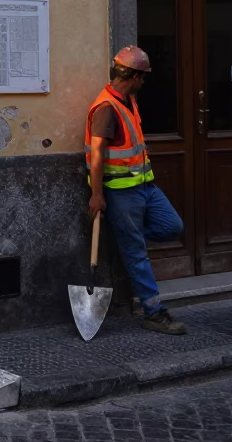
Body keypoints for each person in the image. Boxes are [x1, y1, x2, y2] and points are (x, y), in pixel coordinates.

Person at [85, 46, 187, 335]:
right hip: (121, 193)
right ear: (132, 76)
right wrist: (96, 194)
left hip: (145, 187)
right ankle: (154, 312)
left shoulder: (128, 101)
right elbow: (96, 156)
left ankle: (127, 239)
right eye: (143, 77)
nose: (144, 82)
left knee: (172, 226)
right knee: (137, 253)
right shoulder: (107, 108)